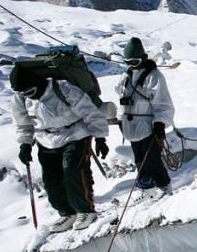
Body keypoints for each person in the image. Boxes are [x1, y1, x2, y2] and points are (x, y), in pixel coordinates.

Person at [11, 65, 109, 232]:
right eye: (23, 93)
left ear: (37, 82)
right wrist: (25, 145)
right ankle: (66, 213)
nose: (28, 95)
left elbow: (90, 112)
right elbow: (23, 124)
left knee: (73, 169)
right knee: (51, 179)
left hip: (75, 133)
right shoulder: (21, 98)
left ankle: (85, 210)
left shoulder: (62, 88)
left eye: (29, 91)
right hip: (46, 139)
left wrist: (100, 137)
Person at [115, 38, 174, 198]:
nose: (131, 65)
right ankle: (147, 191)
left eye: (134, 61)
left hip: (148, 126)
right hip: (131, 127)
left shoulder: (154, 77)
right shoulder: (126, 77)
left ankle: (163, 188)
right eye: (128, 62)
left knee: (152, 160)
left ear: (142, 58)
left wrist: (160, 124)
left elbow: (163, 103)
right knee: (140, 160)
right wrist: (120, 119)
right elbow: (122, 100)